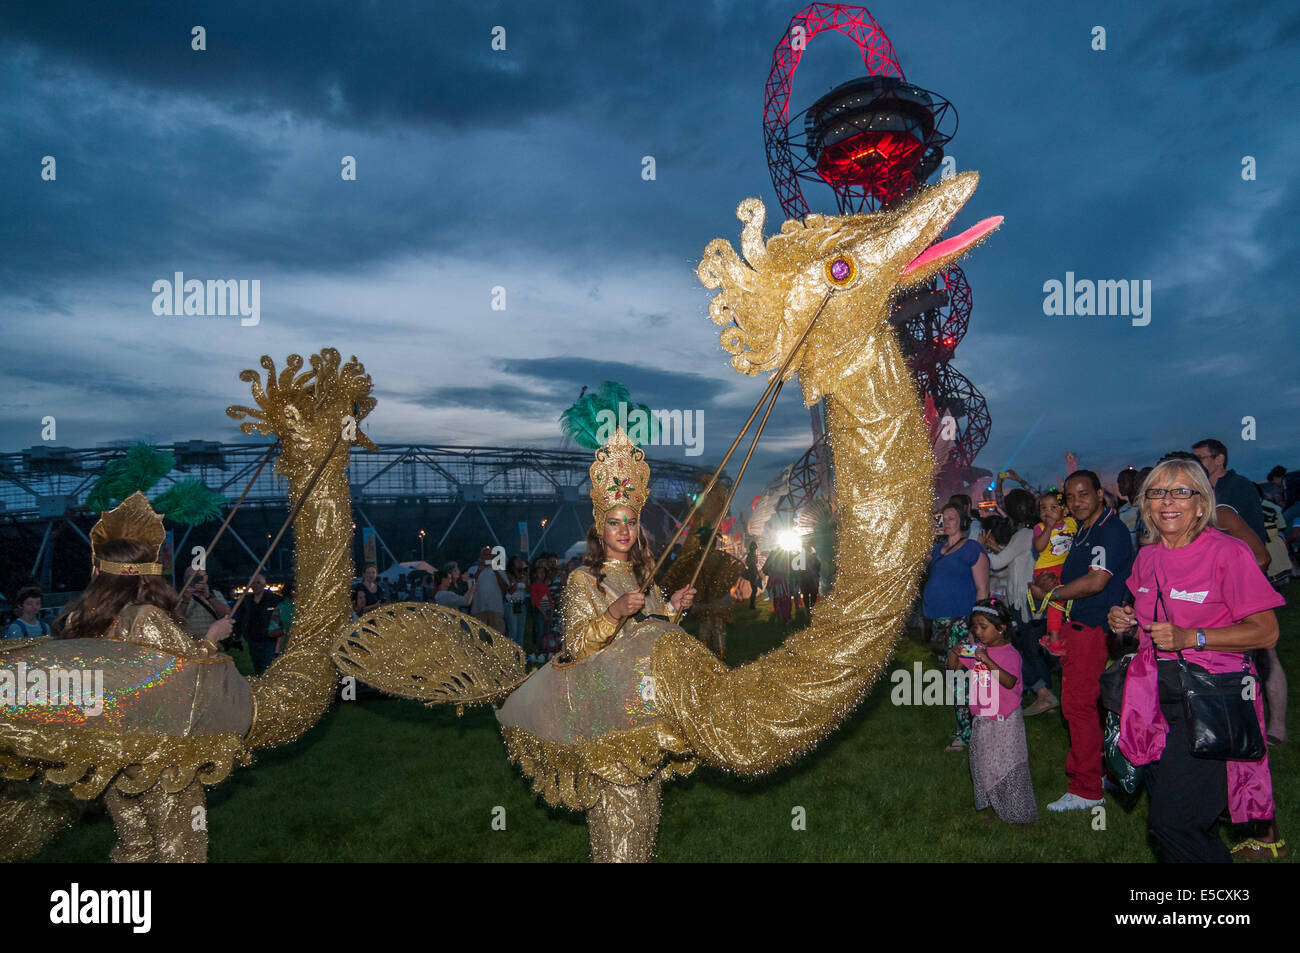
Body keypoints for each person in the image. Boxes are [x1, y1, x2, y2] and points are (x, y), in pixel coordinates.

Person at [496, 428, 695, 860]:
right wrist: (614, 612)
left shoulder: (647, 578)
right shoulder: (583, 580)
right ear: (599, 527)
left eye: (630, 521)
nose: (623, 530)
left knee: (645, 818)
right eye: (614, 521)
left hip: (645, 713)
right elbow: (575, 646)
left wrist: (673, 609)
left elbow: (652, 632)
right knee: (616, 824)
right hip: (605, 716)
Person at [1109, 458, 1284, 862]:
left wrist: (1195, 637)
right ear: (1146, 503)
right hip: (1155, 704)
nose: (1167, 501)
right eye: (1157, 492)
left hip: (1211, 703)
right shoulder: (1147, 557)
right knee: (1184, 823)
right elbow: (1140, 617)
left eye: (1181, 491)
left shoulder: (1228, 553)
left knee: (1172, 825)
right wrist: (1123, 619)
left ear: (1201, 503)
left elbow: (1266, 631)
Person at [54, 493, 238, 862]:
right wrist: (213, 638)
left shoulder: (78, 620)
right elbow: (185, 675)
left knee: (135, 844)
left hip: (109, 751)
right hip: (158, 753)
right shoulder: (144, 618)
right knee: (179, 846)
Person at [1030, 470, 1133, 812]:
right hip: (1082, 626)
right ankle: (1104, 771)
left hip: (1094, 628)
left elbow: (1096, 581)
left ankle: (1087, 789)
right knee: (1094, 706)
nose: (1076, 502)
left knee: (1078, 706)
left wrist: (1054, 593)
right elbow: (1074, 574)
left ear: (1099, 494)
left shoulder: (1108, 530)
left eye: (1083, 494)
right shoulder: (1083, 530)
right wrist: (1051, 581)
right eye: (1070, 497)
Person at [948, 598, 1037, 825]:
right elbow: (954, 668)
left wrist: (987, 661)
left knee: (1007, 764)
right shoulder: (977, 650)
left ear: (1001, 628)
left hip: (1005, 720)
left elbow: (1009, 682)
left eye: (983, 627)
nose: (978, 632)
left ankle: (1017, 811)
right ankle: (994, 805)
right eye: (975, 627)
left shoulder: (1010, 654)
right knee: (984, 763)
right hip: (982, 718)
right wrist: (955, 652)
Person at [982, 489, 1058, 716]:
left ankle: (1042, 692)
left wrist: (979, 548)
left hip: (1025, 603)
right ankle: (1047, 695)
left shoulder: (1023, 534)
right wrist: (996, 548)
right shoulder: (1030, 533)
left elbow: (997, 564)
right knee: (1033, 648)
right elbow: (1017, 560)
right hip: (1031, 600)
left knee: (1021, 649)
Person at [923, 502, 989, 751]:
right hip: (940, 624)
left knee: (962, 677)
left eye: (952, 518)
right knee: (954, 678)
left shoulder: (971, 549)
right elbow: (915, 560)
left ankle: (968, 733)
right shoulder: (938, 550)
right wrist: (929, 530)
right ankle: (967, 727)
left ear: (962, 522)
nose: (947, 522)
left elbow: (982, 589)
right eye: (943, 518)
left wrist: (977, 628)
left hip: (962, 624)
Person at [1029, 490, 1077, 655]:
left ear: (1065, 510)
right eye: (1043, 508)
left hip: (1066, 567)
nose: (1047, 512)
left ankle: (1057, 633)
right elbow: (1039, 547)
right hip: (1047, 569)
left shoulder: (1072, 522)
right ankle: (1054, 638)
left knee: (1067, 600)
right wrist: (1048, 528)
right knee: (1057, 602)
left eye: (1053, 507)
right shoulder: (1040, 527)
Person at [234, 574, 281, 676]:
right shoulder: (246, 601)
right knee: (257, 667)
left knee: (267, 668)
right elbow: (240, 618)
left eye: (258, 583)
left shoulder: (274, 600)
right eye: (253, 583)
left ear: (264, 585)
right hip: (252, 640)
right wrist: (237, 634)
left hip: (269, 640)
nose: (255, 585)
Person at [176, 568, 231, 642]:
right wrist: (185, 601)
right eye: (192, 577)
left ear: (206, 578)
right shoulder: (178, 597)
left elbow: (226, 615)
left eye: (199, 577)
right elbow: (175, 621)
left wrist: (209, 597)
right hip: (191, 644)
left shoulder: (215, 594)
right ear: (185, 579)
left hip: (214, 643)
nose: (196, 580)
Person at [469, 546, 510, 635]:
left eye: (489, 555)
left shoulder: (499, 569)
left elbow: (505, 588)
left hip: (496, 609)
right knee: (480, 639)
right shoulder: (473, 569)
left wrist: (496, 571)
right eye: (485, 555)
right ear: (480, 556)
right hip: (478, 609)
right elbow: (469, 586)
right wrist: (479, 571)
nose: (487, 557)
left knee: (498, 639)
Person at [503, 556, 529, 648]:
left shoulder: (523, 575)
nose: (520, 562)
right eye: (517, 561)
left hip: (521, 604)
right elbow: (510, 591)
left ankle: (519, 657)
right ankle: (511, 656)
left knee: (520, 632)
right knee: (512, 631)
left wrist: (525, 575)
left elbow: (527, 589)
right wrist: (519, 580)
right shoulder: (508, 574)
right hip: (511, 604)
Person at [743, 541, 760, 609]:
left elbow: (747, 563)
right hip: (752, 572)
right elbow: (754, 563)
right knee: (754, 589)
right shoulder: (752, 555)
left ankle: (752, 604)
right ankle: (751, 605)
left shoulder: (750, 554)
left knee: (754, 589)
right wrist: (757, 572)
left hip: (751, 572)